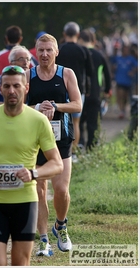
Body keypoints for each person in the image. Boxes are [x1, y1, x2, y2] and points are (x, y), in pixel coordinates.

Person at [0, 65, 63, 266]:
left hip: (25, 201)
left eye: (16, 86)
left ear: (26, 88)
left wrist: (33, 173)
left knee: (20, 263)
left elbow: (56, 164)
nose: (12, 91)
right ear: (0, 89)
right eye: (7, 86)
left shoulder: (38, 120)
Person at [25, 33, 82, 256]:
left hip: (61, 140)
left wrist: (55, 107)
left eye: (49, 50)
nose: (45, 54)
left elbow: (77, 105)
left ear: (56, 52)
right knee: (39, 190)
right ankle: (43, 240)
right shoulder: (29, 76)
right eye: (41, 50)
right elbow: (18, 106)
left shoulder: (66, 74)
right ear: (35, 52)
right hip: (36, 141)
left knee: (61, 190)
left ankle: (60, 225)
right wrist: (38, 108)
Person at [56, 21, 94, 162]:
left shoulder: (59, 49)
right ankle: (73, 153)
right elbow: (90, 72)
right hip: (79, 90)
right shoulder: (83, 50)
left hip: (60, 90)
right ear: (78, 34)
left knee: (59, 121)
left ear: (64, 34)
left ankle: (59, 152)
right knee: (76, 123)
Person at [77, 29, 112, 151]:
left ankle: (79, 144)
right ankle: (91, 149)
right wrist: (107, 90)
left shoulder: (78, 53)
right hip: (95, 94)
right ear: (93, 41)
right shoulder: (99, 55)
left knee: (79, 122)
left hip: (79, 93)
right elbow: (107, 75)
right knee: (93, 124)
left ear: (80, 39)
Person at [0, 45, 32, 109]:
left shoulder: (34, 79)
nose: (25, 62)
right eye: (21, 59)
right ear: (11, 63)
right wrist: (10, 105)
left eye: (27, 59)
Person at [110, 44, 138, 119]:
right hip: (119, 80)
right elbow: (112, 63)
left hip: (128, 81)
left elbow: (137, 66)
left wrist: (132, 72)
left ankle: (124, 109)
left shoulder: (131, 59)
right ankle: (121, 110)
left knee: (126, 97)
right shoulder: (118, 58)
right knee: (120, 95)